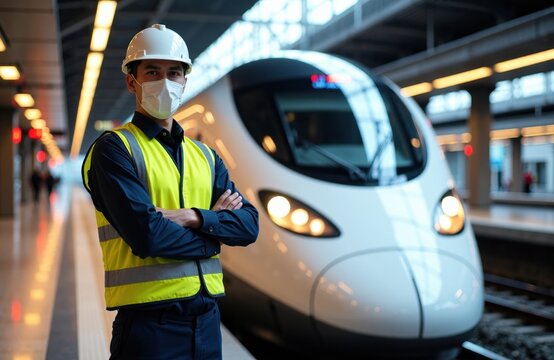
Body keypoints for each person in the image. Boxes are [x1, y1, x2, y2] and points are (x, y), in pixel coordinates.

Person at [81, 24, 259, 360]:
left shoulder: (205, 156)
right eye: (152, 72)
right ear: (131, 81)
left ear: (184, 80)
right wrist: (214, 234)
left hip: (207, 325)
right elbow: (147, 235)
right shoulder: (115, 150)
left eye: (174, 72)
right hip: (150, 328)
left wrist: (192, 217)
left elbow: (249, 225)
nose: (165, 82)